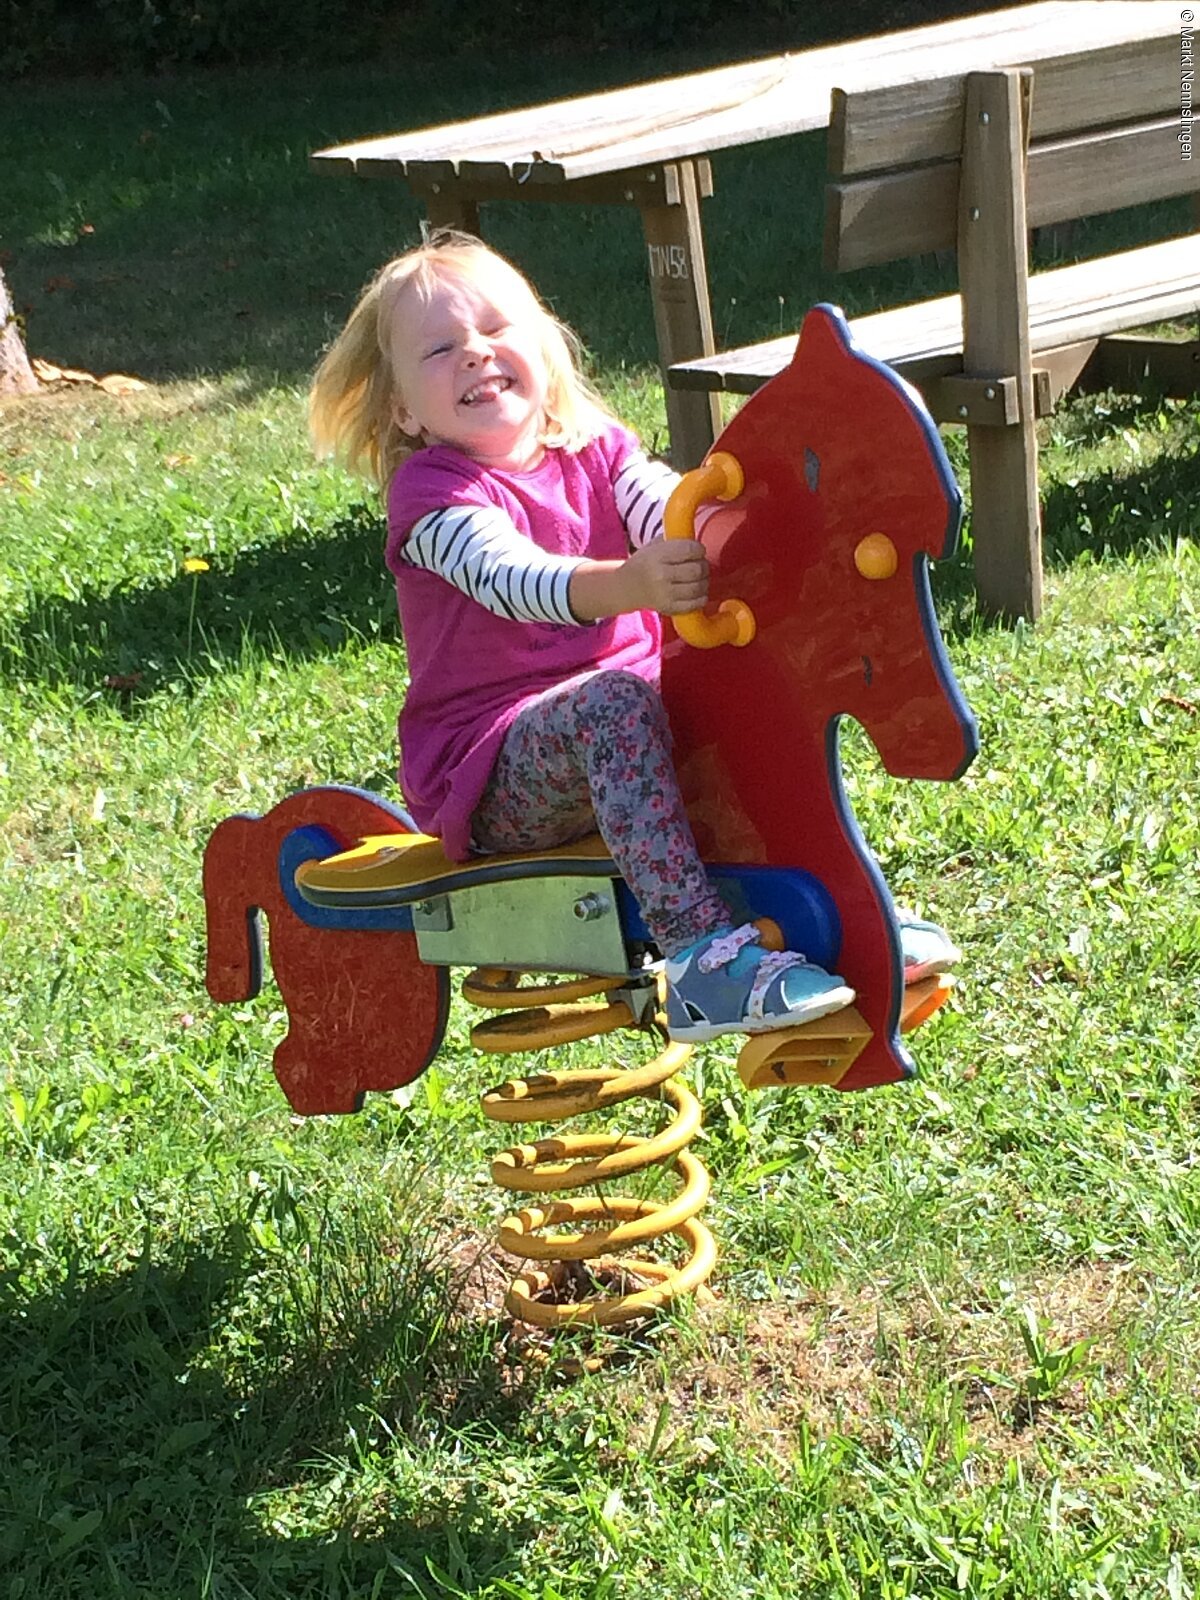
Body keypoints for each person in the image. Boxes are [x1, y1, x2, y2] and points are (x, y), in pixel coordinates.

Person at [309, 234, 948, 1041]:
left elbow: (675, 514)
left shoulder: (597, 449)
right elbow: (511, 579)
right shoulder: (432, 495)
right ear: (403, 408)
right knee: (614, 703)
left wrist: (756, 533)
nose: (476, 353)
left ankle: (842, 912)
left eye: (497, 330)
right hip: (495, 765)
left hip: (628, 726)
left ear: (543, 352)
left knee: (744, 691)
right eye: (440, 348)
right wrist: (627, 584)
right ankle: (702, 963)